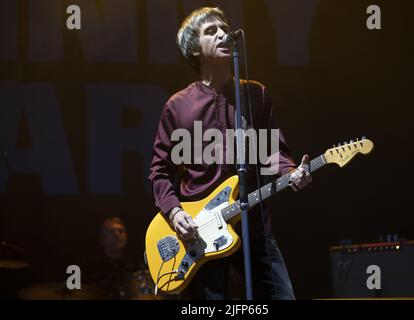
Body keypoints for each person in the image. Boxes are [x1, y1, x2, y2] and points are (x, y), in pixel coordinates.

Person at [148, 7, 312, 300]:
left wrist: (291, 172)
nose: (223, 33)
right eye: (211, 31)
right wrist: (174, 212)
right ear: (194, 48)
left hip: (253, 223)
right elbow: (160, 171)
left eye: (224, 27)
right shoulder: (178, 106)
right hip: (200, 232)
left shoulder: (256, 95)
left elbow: (271, 151)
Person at [85, 217, 143, 299]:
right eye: (112, 231)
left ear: (126, 237)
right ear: (102, 239)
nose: (117, 234)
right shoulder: (92, 267)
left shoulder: (137, 265)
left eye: (121, 231)